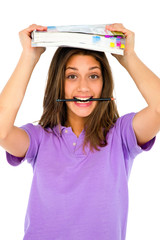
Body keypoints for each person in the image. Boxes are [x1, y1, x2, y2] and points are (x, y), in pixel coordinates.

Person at [0, 23, 159, 240]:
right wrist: (29, 56)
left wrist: (128, 56)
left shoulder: (121, 135)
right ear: (59, 83)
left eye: (93, 76)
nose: (83, 87)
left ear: (104, 84)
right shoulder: (38, 139)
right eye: (72, 76)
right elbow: (2, 132)